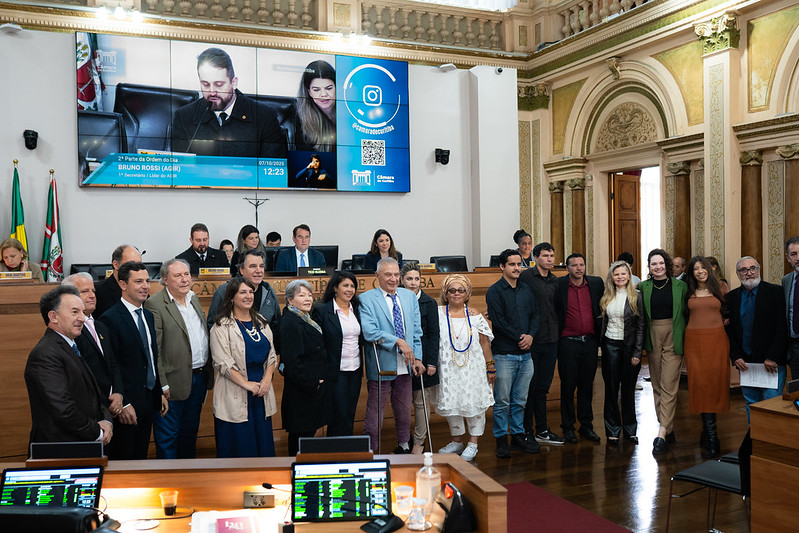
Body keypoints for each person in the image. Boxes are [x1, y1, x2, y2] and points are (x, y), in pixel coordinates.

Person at [24, 286, 113, 446]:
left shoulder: (71, 346)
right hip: (60, 449)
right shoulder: (45, 354)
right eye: (74, 312)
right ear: (53, 317)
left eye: (83, 312)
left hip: (82, 444)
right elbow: (63, 409)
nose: (83, 318)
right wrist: (97, 432)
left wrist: (106, 421)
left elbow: (94, 395)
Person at [98, 261, 168, 459]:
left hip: (148, 399)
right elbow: (112, 366)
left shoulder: (147, 315)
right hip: (127, 404)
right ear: (122, 284)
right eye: (138, 281)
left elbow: (151, 357)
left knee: (141, 456)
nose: (145, 286)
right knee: (126, 459)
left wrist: (159, 390)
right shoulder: (109, 319)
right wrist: (125, 403)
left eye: (147, 280)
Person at [144, 259, 214, 458]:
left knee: (189, 434)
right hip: (171, 383)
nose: (184, 280)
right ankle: (168, 483)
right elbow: (154, 349)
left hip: (198, 378)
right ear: (165, 280)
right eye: (178, 276)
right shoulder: (155, 304)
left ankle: (187, 480)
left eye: (186, 274)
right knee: (168, 437)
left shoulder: (193, 298)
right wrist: (162, 385)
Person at [171, 47, 287, 159]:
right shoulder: (184, 117)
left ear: (234, 83)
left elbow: (274, 175)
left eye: (219, 85)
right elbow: (180, 171)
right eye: (205, 84)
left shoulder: (265, 118)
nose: (212, 92)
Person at [359, 258, 425, 454]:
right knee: (375, 412)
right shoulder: (366, 299)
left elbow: (416, 331)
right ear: (377, 276)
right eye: (388, 274)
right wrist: (398, 341)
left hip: (406, 363)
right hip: (382, 362)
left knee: (404, 409)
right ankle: (371, 450)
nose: (393, 279)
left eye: (396, 274)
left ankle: (404, 445)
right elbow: (369, 332)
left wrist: (418, 358)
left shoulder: (409, 297)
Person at [209, 277, 277, 457]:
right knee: (240, 449)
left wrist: (267, 379)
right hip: (235, 393)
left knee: (263, 448)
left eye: (250, 292)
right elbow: (222, 363)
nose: (248, 296)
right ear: (231, 297)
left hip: (261, 393)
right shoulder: (220, 326)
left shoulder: (261, 321)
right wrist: (247, 384)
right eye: (242, 292)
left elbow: (271, 355)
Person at [486, 249, 540, 458]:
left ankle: (518, 435)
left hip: (526, 355)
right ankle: (501, 438)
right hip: (504, 354)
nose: (517, 268)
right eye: (512, 264)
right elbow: (498, 323)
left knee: (520, 400)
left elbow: (535, 315)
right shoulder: (494, 291)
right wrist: (521, 337)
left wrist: (531, 336)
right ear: (502, 267)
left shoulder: (526, 289)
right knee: (502, 401)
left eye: (519, 264)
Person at [435, 274, 494, 462]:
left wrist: (490, 366)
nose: (456, 293)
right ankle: (457, 441)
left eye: (461, 290)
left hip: (473, 368)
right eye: (452, 290)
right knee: (453, 403)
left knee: (473, 403)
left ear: (467, 293)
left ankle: (473, 443)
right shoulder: (438, 314)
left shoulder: (475, 315)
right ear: (446, 293)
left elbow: (485, 343)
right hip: (448, 367)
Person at [725, 256, 788, 422]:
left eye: (753, 268)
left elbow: (782, 327)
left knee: (772, 404)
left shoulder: (775, 292)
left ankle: (772, 446)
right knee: (751, 403)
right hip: (746, 363)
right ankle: (754, 443)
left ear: (759, 270)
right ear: (738, 274)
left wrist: (773, 356)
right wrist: (735, 356)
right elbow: (729, 331)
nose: (749, 273)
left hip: (771, 363)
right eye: (743, 270)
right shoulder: (731, 298)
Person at [638, 248, 688, 455]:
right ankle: (668, 428)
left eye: (660, 263)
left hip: (674, 335)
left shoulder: (681, 286)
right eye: (653, 264)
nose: (657, 267)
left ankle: (660, 432)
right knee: (657, 384)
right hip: (652, 335)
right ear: (649, 267)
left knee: (669, 383)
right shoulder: (642, 287)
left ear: (666, 264)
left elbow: (687, 312)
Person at [683, 256, 730, 458]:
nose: (700, 271)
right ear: (691, 272)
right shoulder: (688, 291)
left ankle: (708, 431)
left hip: (717, 341)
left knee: (715, 384)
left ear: (710, 269)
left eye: (703, 267)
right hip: (694, 342)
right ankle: (711, 434)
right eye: (695, 268)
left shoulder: (720, 288)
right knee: (700, 384)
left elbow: (730, 313)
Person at [555, 253, 604, 444]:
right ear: (567, 268)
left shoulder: (596, 283)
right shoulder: (559, 285)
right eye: (574, 265)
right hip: (567, 343)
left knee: (586, 386)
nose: (578, 268)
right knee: (568, 387)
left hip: (590, 343)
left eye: (581, 264)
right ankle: (567, 427)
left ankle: (586, 426)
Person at [518, 242, 564, 445]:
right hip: (532, 340)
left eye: (552, 255)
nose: (550, 259)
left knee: (543, 388)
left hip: (552, 340)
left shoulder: (556, 280)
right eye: (546, 255)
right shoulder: (526, 277)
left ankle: (542, 429)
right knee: (528, 387)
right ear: (535, 257)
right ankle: (526, 430)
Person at [62, 273, 124, 420]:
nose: (92, 295)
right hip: (87, 412)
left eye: (93, 291)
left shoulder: (101, 326)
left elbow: (112, 363)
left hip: (112, 409)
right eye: (84, 291)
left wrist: (118, 393)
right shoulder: (69, 330)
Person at [312, 271, 363, 437]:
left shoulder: (358, 310)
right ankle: (334, 453)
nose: (349, 290)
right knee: (338, 414)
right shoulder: (323, 310)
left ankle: (348, 452)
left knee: (350, 413)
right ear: (335, 288)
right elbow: (318, 345)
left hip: (355, 370)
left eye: (352, 286)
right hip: (335, 371)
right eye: (345, 285)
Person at [598, 261, 643, 444]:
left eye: (623, 274)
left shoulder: (637, 297)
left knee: (628, 390)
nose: (620, 277)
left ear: (629, 275)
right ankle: (612, 430)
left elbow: (641, 327)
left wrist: (638, 353)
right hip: (610, 346)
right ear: (611, 277)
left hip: (629, 348)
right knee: (611, 390)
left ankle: (630, 429)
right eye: (616, 274)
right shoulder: (606, 296)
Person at [280, 280, 327, 456]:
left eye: (309, 295)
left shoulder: (305, 318)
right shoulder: (291, 322)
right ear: (290, 300)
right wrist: (314, 382)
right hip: (301, 392)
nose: (308, 299)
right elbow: (292, 363)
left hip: (309, 392)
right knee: (300, 439)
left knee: (307, 436)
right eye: (301, 295)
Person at [400, 263, 439, 454]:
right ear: (401, 280)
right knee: (401, 403)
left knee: (420, 402)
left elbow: (433, 335)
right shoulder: (396, 299)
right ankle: (404, 441)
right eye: (409, 279)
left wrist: (431, 361)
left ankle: (419, 442)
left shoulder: (428, 302)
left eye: (416, 279)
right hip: (400, 359)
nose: (413, 283)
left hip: (422, 361)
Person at [207, 250, 281, 352]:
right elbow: (212, 325)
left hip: (263, 355)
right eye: (253, 266)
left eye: (261, 266)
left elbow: (275, 324)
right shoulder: (224, 291)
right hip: (232, 355)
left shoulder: (268, 291)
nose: (258, 270)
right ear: (241, 270)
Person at [294, 59, 336, 152]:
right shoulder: (300, 118)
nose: (323, 94)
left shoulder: (351, 111)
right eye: (316, 90)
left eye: (329, 88)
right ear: (309, 92)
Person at [94, 244, 142, 319]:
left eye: (139, 264)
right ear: (116, 264)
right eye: (131, 264)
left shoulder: (141, 290)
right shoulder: (98, 291)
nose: (136, 269)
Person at [784, 236, 799, 381]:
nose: (798, 258)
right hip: (794, 346)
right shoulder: (786, 280)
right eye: (794, 254)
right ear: (788, 258)